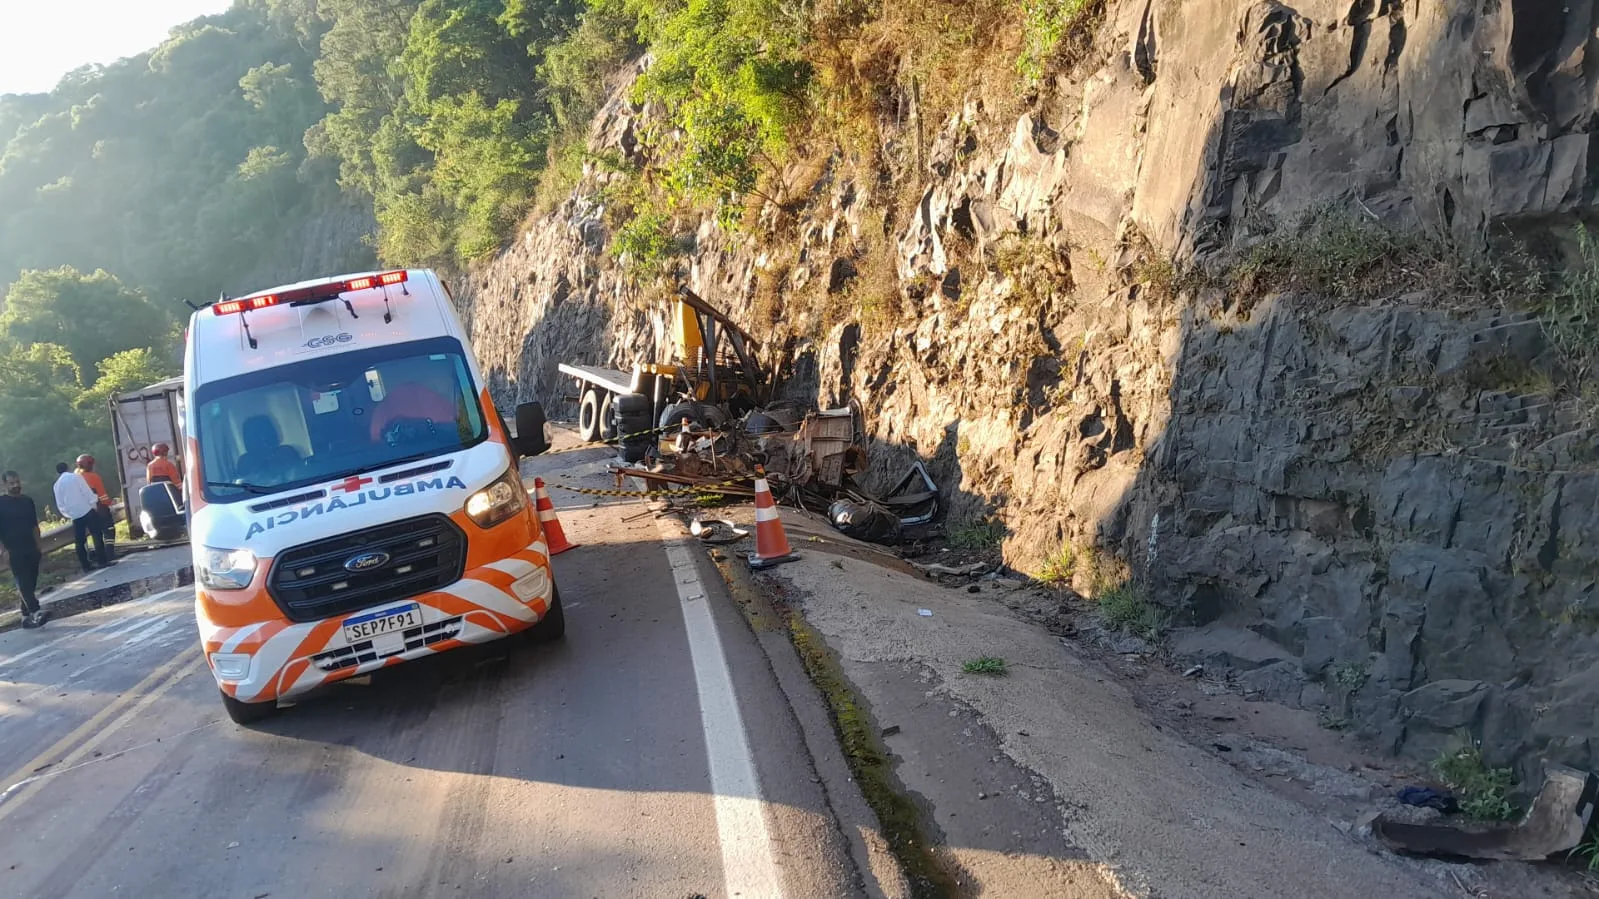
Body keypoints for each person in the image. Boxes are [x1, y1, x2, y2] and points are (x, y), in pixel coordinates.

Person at [0, 471, 48, 628]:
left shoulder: (27, 501)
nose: (16, 486)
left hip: (31, 546)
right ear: (4, 485)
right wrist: (3, 550)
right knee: (22, 581)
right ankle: (36, 610)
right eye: (12, 483)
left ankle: (25, 616)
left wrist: (39, 545)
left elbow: (34, 525)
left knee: (31, 581)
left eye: (17, 482)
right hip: (13, 549)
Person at [54, 462, 108, 573]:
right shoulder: (76, 477)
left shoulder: (56, 485)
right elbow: (86, 491)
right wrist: (93, 503)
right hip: (87, 510)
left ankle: (85, 566)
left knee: (79, 542)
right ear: (68, 468)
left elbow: (60, 504)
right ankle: (102, 561)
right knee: (96, 534)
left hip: (75, 515)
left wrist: (69, 514)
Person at [76, 454, 117, 563]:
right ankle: (109, 554)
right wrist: (108, 503)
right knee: (109, 530)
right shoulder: (93, 477)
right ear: (90, 464)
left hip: (85, 511)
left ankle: (94, 557)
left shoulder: (76, 477)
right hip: (100, 508)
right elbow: (101, 494)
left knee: (94, 533)